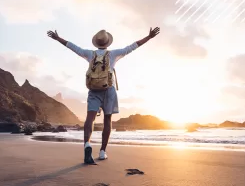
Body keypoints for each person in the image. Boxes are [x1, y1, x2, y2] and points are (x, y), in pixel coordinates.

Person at [47, 27, 160, 164]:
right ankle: (102, 152)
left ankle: (87, 145)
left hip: (94, 90)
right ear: (107, 43)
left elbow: (73, 47)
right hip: (109, 90)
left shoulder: (89, 54)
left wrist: (58, 38)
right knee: (107, 120)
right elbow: (132, 47)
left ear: (97, 43)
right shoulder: (113, 54)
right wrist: (149, 37)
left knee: (90, 119)